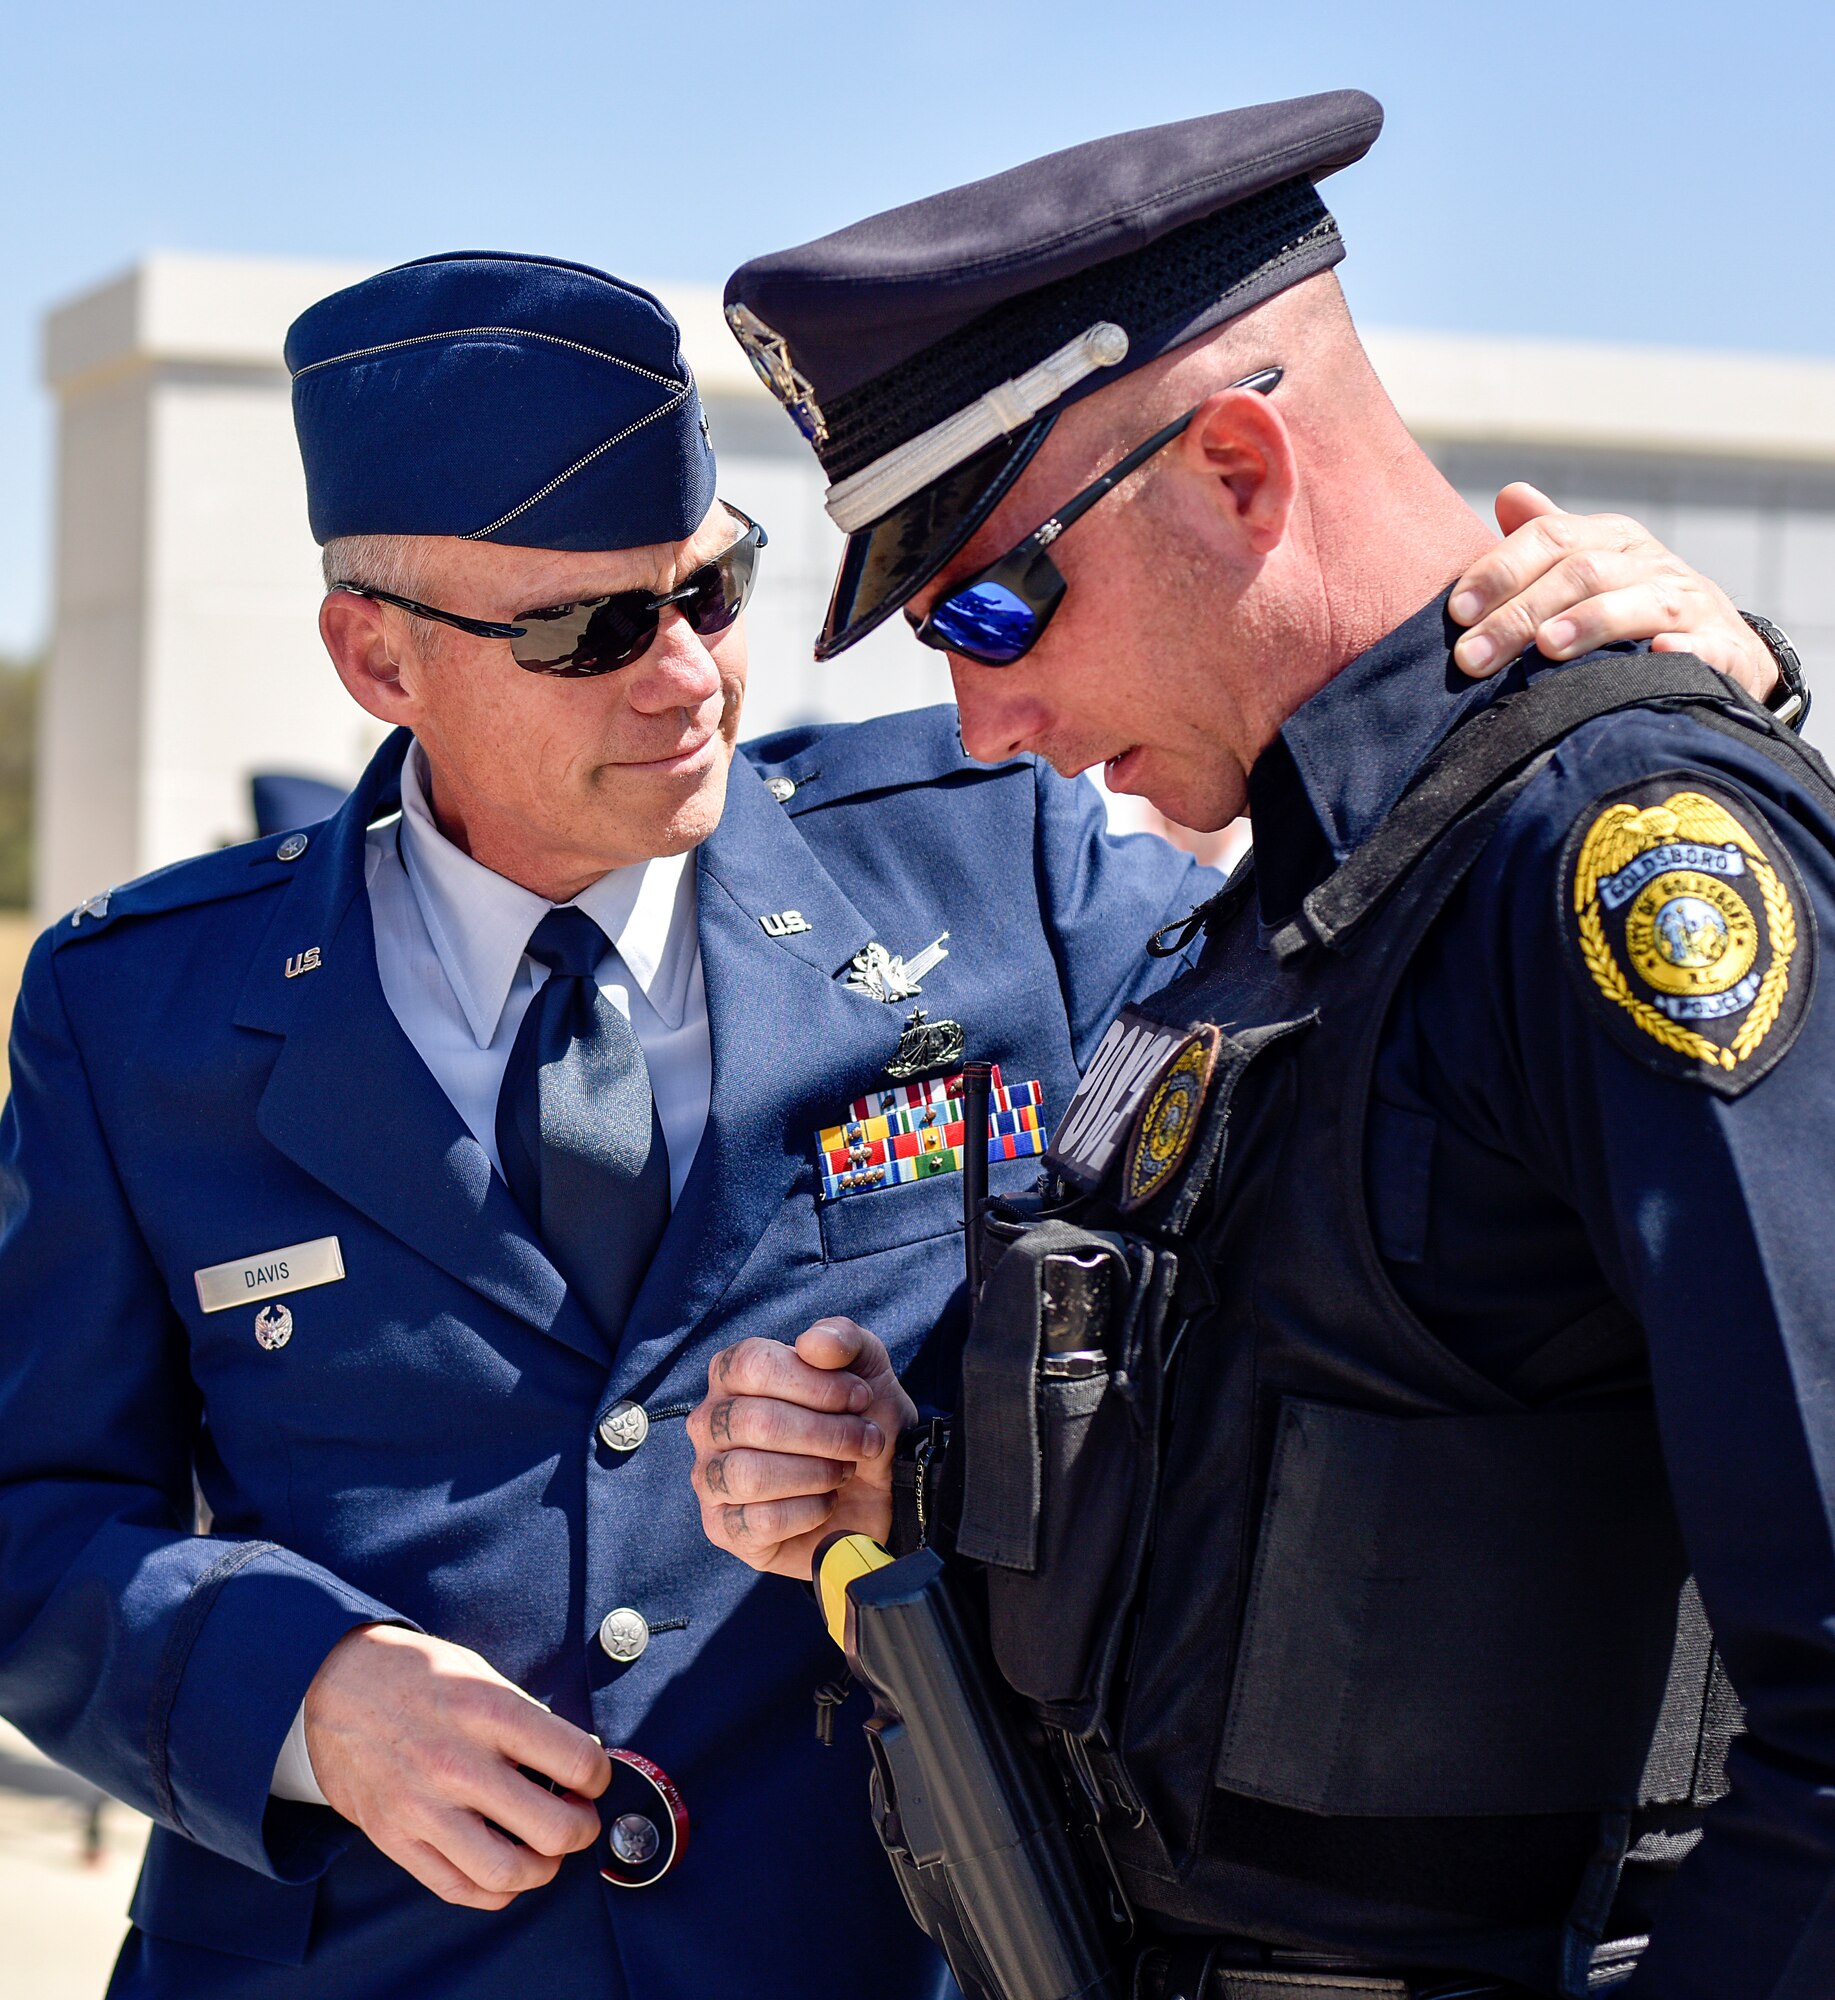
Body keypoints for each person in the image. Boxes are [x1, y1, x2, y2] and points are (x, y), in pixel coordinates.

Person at [0, 252, 1771, 2000]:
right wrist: (300, 1696)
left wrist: (1664, 699)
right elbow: (37, 1509)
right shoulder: (142, 1008)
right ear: (375, 660)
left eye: (708, 593)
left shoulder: (1000, 867)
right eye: (587, 634)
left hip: (868, 1945)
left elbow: (1407, 992)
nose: (686, 680)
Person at [691, 92, 1832, 2000]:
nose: (982, 725)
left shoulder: (1605, 856)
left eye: (990, 602)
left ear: (1233, 464)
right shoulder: (1262, 920)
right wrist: (920, 1490)